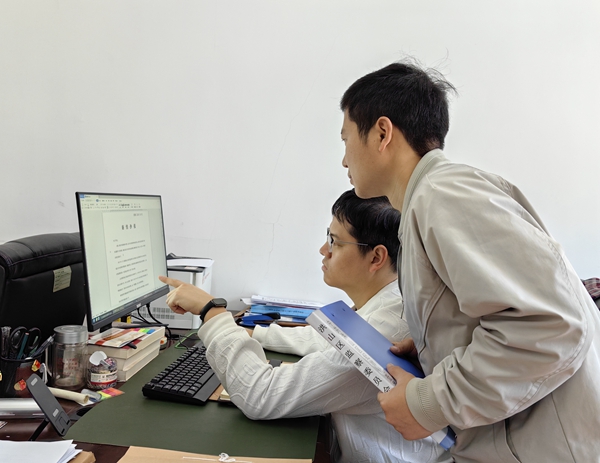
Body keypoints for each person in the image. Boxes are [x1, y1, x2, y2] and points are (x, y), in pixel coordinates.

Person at [339, 60, 600, 462]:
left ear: (382, 133)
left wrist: (428, 403)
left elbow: (552, 325)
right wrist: (437, 346)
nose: (344, 160)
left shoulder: (444, 195)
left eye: (345, 140)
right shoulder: (429, 200)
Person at [160, 189, 450, 463]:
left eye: (335, 241)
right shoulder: (392, 303)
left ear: (376, 257)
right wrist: (253, 332)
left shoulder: (385, 329)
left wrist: (212, 312)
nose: (324, 250)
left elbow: (261, 394)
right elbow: (325, 341)